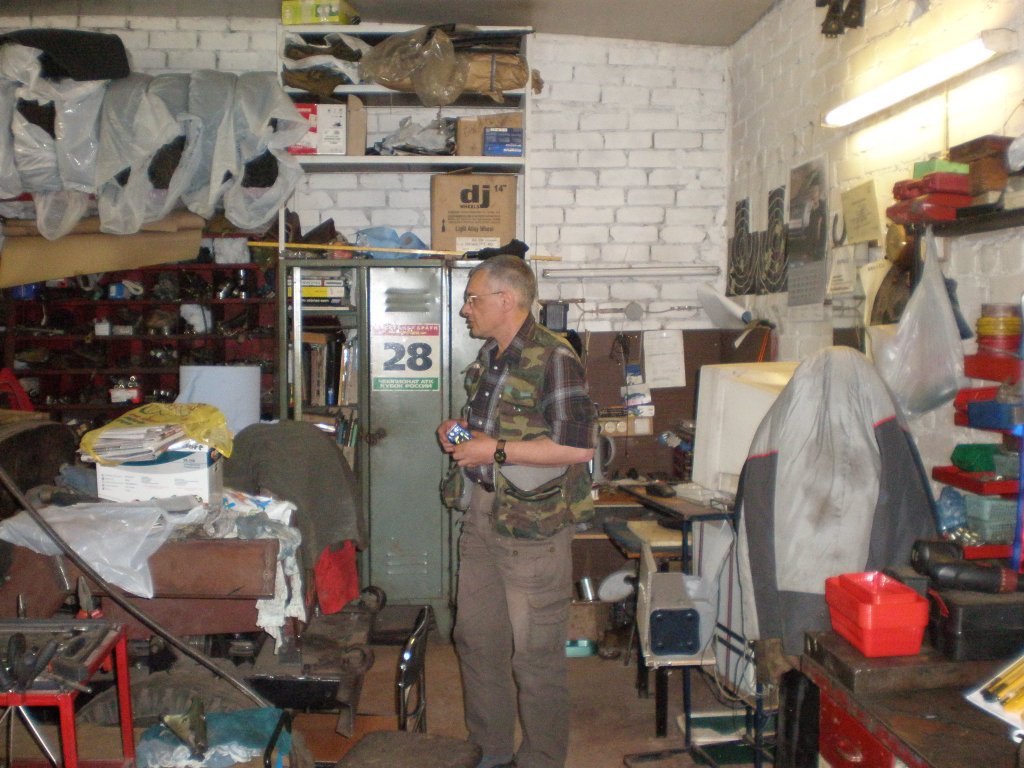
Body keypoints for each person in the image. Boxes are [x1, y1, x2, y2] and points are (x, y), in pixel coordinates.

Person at [437, 254, 596, 768]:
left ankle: (542, 759)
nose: (465, 309)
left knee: (536, 658)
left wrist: (494, 450)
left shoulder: (555, 357)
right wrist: (459, 434)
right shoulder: (492, 356)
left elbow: (578, 447)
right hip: (482, 515)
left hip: (533, 529)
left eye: (473, 298)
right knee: (476, 641)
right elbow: (493, 433)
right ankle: (491, 752)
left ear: (506, 300)